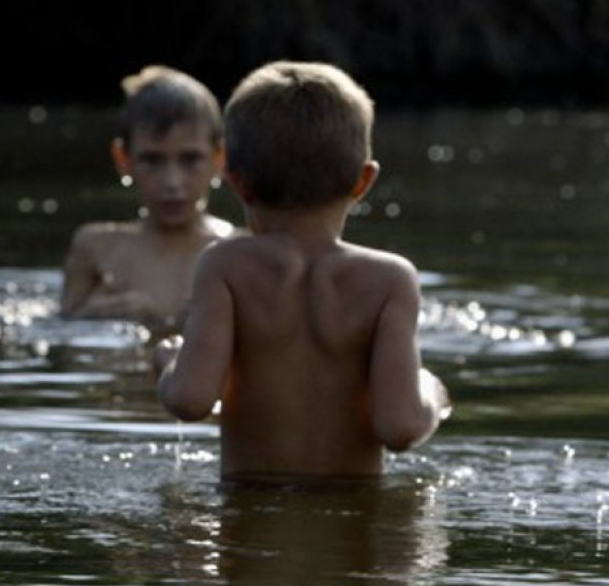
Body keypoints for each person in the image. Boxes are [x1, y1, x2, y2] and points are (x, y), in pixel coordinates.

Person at [153, 60, 451, 482]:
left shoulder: (225, 265)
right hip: (356, 527)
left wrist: (169, 362)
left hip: (248, 516)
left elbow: (189, 399)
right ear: (363, 182)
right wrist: (431, 390)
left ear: (236, 181)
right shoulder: (389, 280)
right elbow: (401, 426)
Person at [61, 65, 237, 333]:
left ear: (219, 158)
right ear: (123, 159)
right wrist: (93, 317)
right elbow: (64, 340)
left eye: (190, 160)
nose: (172, 183)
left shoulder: (239, 252)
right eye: (152, 160)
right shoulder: (96, 249)